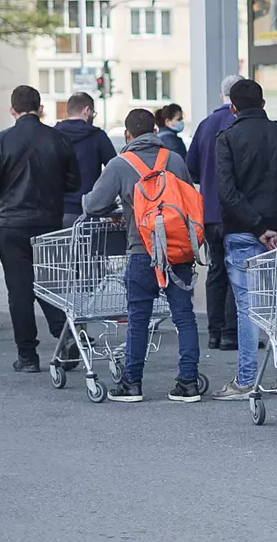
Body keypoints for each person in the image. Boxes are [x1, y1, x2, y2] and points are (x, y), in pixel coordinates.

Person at [84, 109, 202, 403]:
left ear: (128, 135)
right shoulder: (174, 160)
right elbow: (188, 199)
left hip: (141, 250)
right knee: (184, 316)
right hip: (177, 250)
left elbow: (94, 205)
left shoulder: (120, 164)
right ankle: (188, 383)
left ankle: (132, 384)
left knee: (138, 318)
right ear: (155, 130)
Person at [210, 79, 277, 401]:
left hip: (242, 232)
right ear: (263, 104)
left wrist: (256, 227)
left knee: (247, 307)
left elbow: (227, 191)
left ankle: (246, 379)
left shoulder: (227, 138)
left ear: (232, 108)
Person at [0, 85, 80, 373]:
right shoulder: (59, 139)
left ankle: (27, 356)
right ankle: (64, 335)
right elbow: (75, 182)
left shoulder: (0, 141)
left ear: (12, 110)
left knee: (19, 291)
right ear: (40, 108)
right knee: (50, 284)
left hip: (12, 224)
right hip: (49, 223)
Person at [187, 74, 242, 351]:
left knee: (216, 270)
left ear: (222, 95)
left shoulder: (205, 125)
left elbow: (191, 168)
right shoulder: (240, 123)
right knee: (237, 270)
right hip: (237, 211)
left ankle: (214, 332)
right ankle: (232, 333)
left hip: (209, 212)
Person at [55, 92, 117, 226]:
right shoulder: (98, 136)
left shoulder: (52, 135)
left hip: (56, 211)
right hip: (87, 213)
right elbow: (115, 169)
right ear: (87, 111)